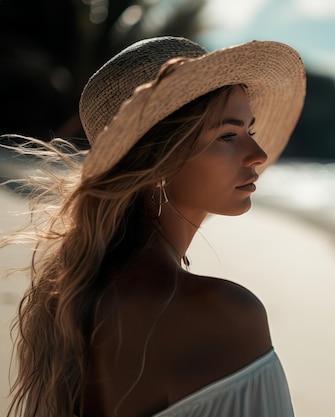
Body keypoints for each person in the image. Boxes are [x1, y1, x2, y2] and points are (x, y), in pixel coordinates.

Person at [1, 36, 306, 417]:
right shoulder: (227, 316)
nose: (258, 155)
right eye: (228, 135)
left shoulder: (73, 300)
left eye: (250, 131)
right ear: (159, 162)